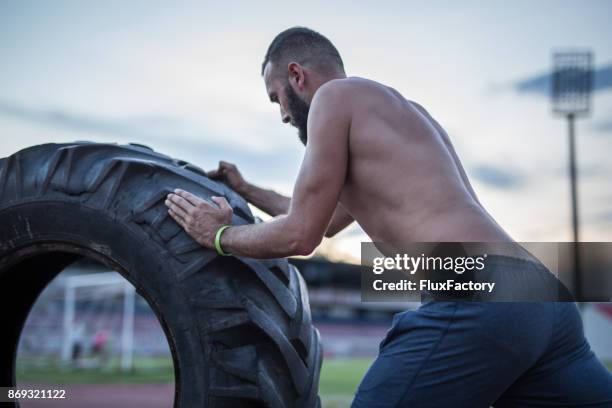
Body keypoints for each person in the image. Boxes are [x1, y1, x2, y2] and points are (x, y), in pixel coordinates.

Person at [165, 27, 612, 407]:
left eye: (276, 98)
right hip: (541, 299)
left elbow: (301, 235)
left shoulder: (332, 100)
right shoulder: (401, 114)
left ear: (296, 76)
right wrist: (244, 188)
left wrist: (220, 234)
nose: (282, 114)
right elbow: (318, 216)